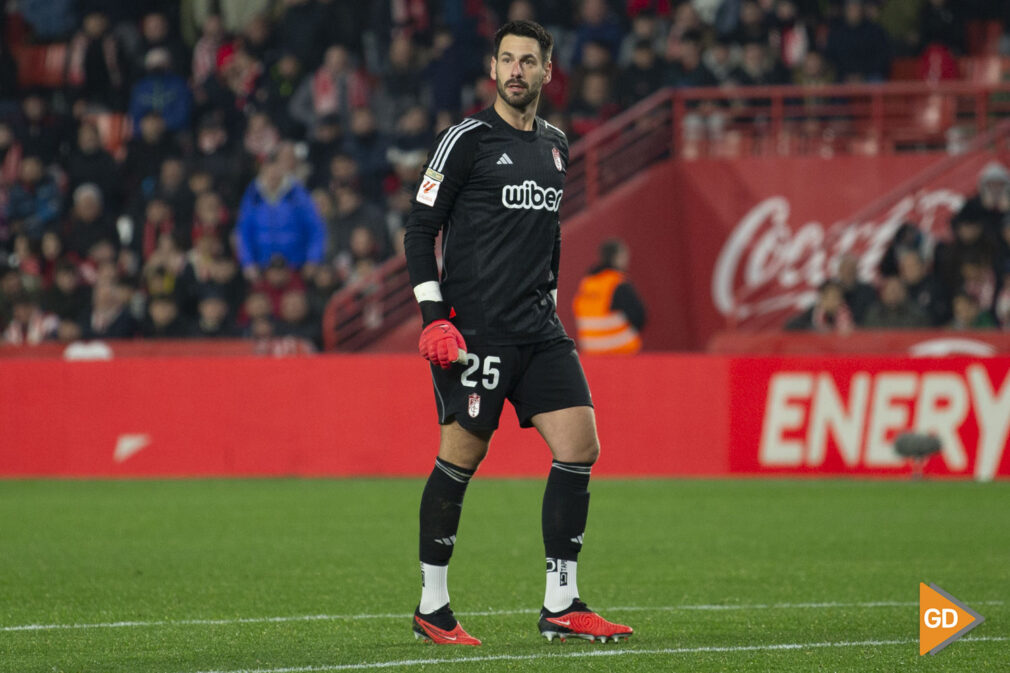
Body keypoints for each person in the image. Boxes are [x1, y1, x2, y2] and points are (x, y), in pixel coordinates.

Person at [402, 19, 633, 647]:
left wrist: (552, 302)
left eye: (528, 61)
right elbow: (420, 231)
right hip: (475, 333)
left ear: (547, 71)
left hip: (540, 329)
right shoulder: (466, 139)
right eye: (507, 59)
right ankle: (433, 605)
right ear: (494, 68)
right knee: (462, 458)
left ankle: (562, 602)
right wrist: (434, 316)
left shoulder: (557, 146)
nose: (516, 71)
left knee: (580, 446)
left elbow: (549, 237)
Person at [572, 238, 647, 354]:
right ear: (617, 257)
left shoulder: (587, 283)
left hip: (591, 352)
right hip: (620, 351)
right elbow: (640, 317)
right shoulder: (617, 283)